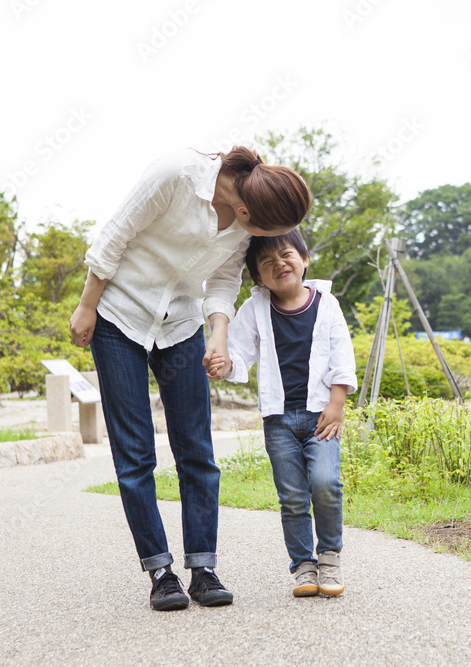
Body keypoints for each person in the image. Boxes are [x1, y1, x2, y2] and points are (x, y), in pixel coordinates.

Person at [69, 147, 311, 611]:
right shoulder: (174, 175)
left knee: (197, 450)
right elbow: (113, 237)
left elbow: (222, 280)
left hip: (180, 323)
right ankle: (160, 571)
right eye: (265, 230)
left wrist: (218, 333)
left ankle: (203, 568)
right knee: (135, 452)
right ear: (245, 211)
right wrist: (86, 306)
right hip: (119, 315)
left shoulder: (243, 220)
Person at [206, 230, 357, 597]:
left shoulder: (326, 304)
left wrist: (337, 405)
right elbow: (238, 350)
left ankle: (330, 556)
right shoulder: (256, 307)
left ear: (304, 259)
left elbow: (342, 355)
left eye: (286, 254)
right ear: (258, 277)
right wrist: (223, 362)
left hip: (321, 416)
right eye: (266, 263)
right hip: (279, 420)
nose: (279, 264)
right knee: (291, 496)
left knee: (325, 484)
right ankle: (304, 566)